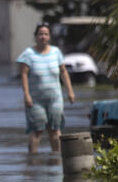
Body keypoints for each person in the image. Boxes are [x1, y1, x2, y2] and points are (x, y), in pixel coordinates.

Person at [17, 23, 75, 153]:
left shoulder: (56, 52)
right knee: (37, 130)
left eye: (46, 34)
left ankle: (57, 161)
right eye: (40, 34)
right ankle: (32, 162)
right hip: (36, 100)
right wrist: (26, 94)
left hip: (55, 98)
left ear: (49, 37)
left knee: (55, 129)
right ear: (36, 36)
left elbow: (63, 72)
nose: (43, 37)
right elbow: (23, 74)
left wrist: (70, 91)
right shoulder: (28, 54)